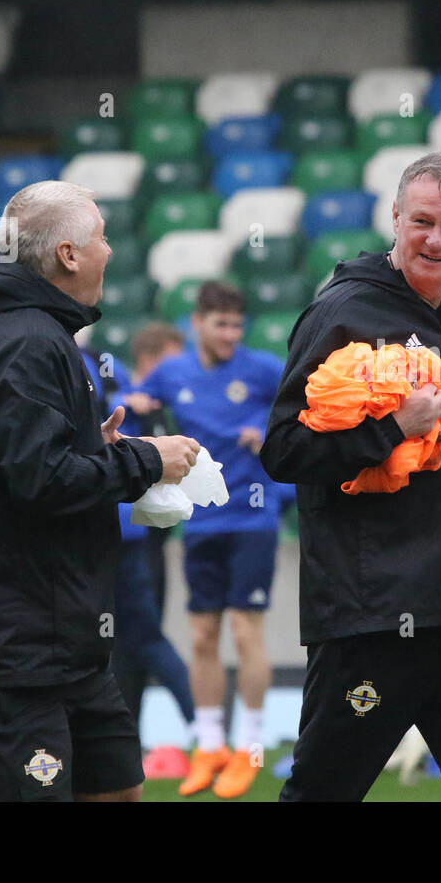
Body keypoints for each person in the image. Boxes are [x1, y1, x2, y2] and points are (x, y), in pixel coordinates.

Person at [260, 151, 441, 802]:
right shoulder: (340, 315)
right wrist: (392, 431)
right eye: (421, 221)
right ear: (394, 218)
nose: (434, 239)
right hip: (371, 619)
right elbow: (282, 452)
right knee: (322, 792)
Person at [0, 180, 200, 802]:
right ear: (68, 255)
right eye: (102, 236)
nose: (110, 249)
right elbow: (43, 481)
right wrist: (143, 460)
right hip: (14, 647)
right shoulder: (25, 340)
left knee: (119, 791)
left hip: (66, 638)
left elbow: (33, 464)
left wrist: (98, 455)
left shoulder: (40, 333)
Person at [124, 281, 287, 800]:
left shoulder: (262, 369)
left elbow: (303, 413)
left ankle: (251, 747)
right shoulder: (173, 373)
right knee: (200, 638)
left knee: (245, 633)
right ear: (197, 324)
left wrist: (268, 431)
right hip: (201, 523)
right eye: (221, 324)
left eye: (238, 325)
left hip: (253, 521)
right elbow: (138, 404)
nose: (231, 334)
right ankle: (210, 745)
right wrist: (137, 403)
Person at [77, 333, 196, 747]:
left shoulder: (91, 362)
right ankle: (122, 737)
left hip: (119, 524)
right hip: (121, 521)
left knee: (139, 636)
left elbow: (112, 422)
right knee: (129, 638)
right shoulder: (98, 361)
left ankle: (201, 723)